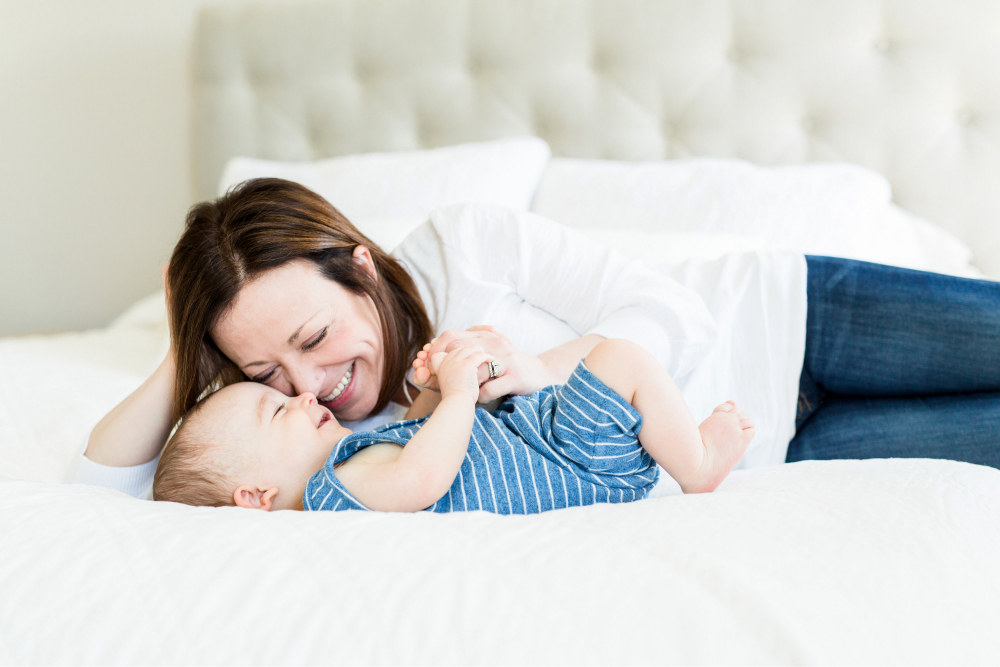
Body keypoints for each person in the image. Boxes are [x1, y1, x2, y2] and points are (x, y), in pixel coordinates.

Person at [68, 178, 1000, 500]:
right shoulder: (306, 439)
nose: (316, 382)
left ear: (361, 265)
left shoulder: (467, 244)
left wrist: (533, 369)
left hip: (793, 314)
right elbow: (103, 487)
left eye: (315, 336)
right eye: (266, 368)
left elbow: (673, 314)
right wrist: (178, 334)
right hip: (768, 446)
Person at [152, 339, 756, 512]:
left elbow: (413, 441)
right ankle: (697, 463)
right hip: (571, 461)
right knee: (619, 359)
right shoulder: (330, 491)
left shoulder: (356, 459)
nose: (304, 396)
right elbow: (422, 477)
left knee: (595, 348)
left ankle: (679, 439)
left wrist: (431, 390)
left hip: (545, 438)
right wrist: (460, 395)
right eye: (279, 410)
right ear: (256, 495)